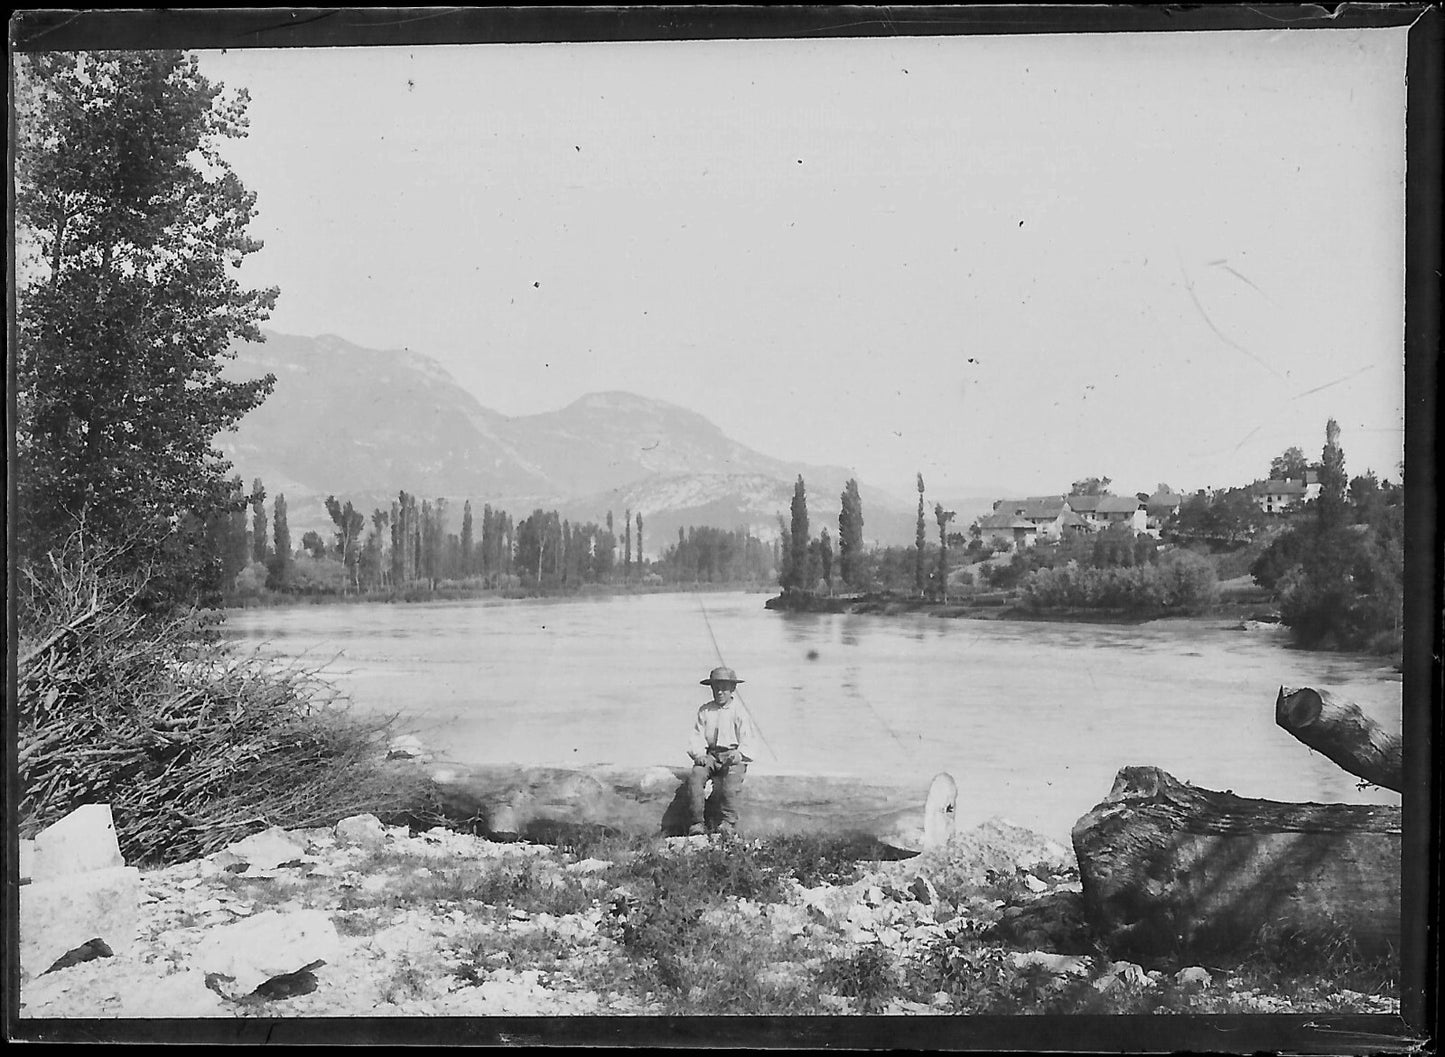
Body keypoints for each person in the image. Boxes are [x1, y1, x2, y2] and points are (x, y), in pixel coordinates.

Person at [686, 666, 755, 836]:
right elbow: (696, 736)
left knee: (729, 785)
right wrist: (699, 754)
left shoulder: (740, 711)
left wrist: (739, 754)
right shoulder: (705, 710)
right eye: (716, 687)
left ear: (732, 689)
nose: (720, 692)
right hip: (711, 755)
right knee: (695, 777)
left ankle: (728, 823)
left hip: (732, 755)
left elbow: (748, 739)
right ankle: (697, 823)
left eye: (724, 687)